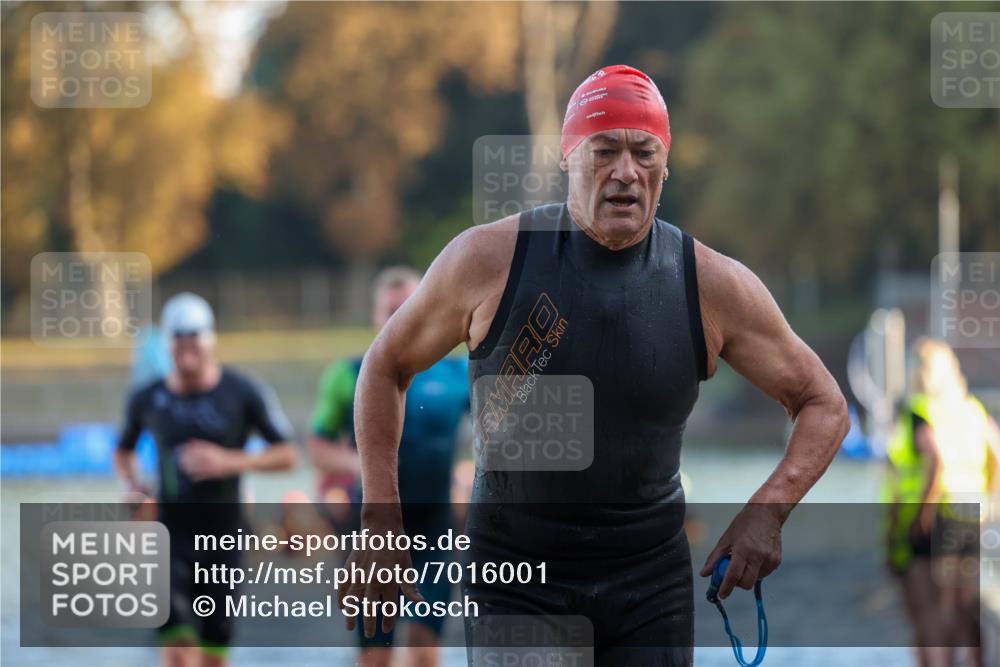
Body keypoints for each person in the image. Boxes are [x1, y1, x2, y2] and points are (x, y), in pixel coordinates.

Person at [338, 64, 849, 666]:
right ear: (569, 158)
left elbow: (824, 403)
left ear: (666, 163)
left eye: (644, 152)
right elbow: (385, 366)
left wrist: (769, 512)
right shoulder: (488, 260)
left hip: (648, 586)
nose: (626, 172)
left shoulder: (710, 284)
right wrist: (380, 518)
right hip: (516, 581)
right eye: (604, 151)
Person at [115, 292, 298, 667]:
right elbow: (123, 450)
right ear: (167, 344)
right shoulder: (147, 398)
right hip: (169, 537)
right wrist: (132, 484)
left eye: (194, 337)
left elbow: (288, 454)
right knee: (179, 651)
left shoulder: (242, 392)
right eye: (177, 339)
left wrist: (228, 461)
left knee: (214, 655)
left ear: (210, 339)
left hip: (225, 536)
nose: (186, 348)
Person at [309, 267, 470, 667]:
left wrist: (472, 478)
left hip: (433, 528)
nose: (399, 320)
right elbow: (317, 447)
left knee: (423, 649)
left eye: (408, 309)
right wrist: (364, 463)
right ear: (375, 317)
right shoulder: (348, 374)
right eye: (390, 312)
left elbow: (498, 430)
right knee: (376, 655)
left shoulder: (456, 373)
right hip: (373, 526)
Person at [884, 337, 1000, 667]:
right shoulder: (971, 408)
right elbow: (996, 453)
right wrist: (991, 499)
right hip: (971, 512)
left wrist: (924, 509)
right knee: (966, 604)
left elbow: (935, 459)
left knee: (936, 609)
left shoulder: (920, 409)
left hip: (939, 513)